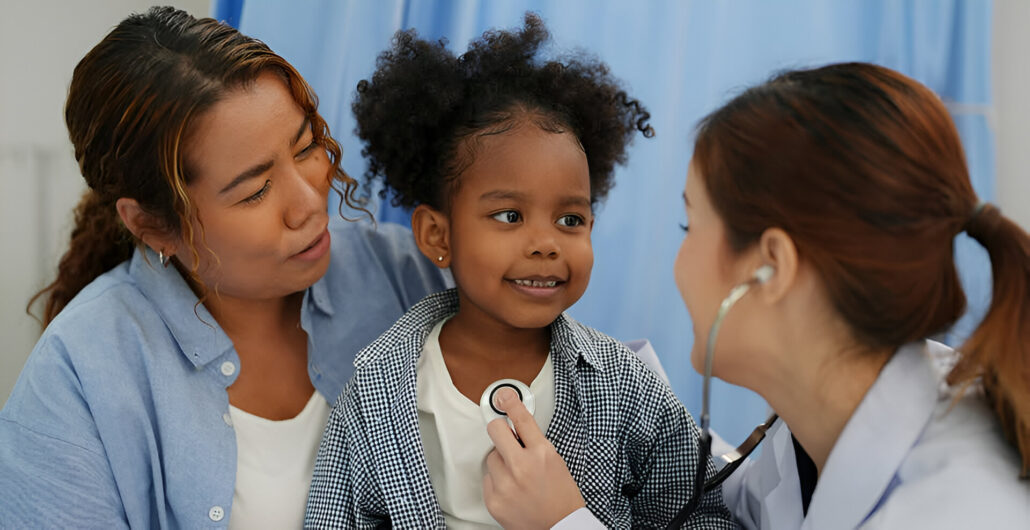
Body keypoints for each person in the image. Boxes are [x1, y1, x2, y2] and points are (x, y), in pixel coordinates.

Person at [483, 62, 1030, 528]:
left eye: (689, 227)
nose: (678, 264)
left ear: (771, 267)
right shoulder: (807, 438)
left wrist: (564, 523)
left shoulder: (957, 510)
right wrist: (638, 410)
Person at [0, 7, 449, 528]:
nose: (309, 202)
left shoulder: (410, 278)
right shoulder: (78, 374)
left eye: (307, 147)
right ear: (151, 225)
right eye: (255, 190)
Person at [304, 14, 736, 529]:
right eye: (509, 216)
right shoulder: (375, 390)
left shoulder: (628, 388)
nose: (546, 244)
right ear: (438, 237)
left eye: (570, 219)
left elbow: (706, 517)